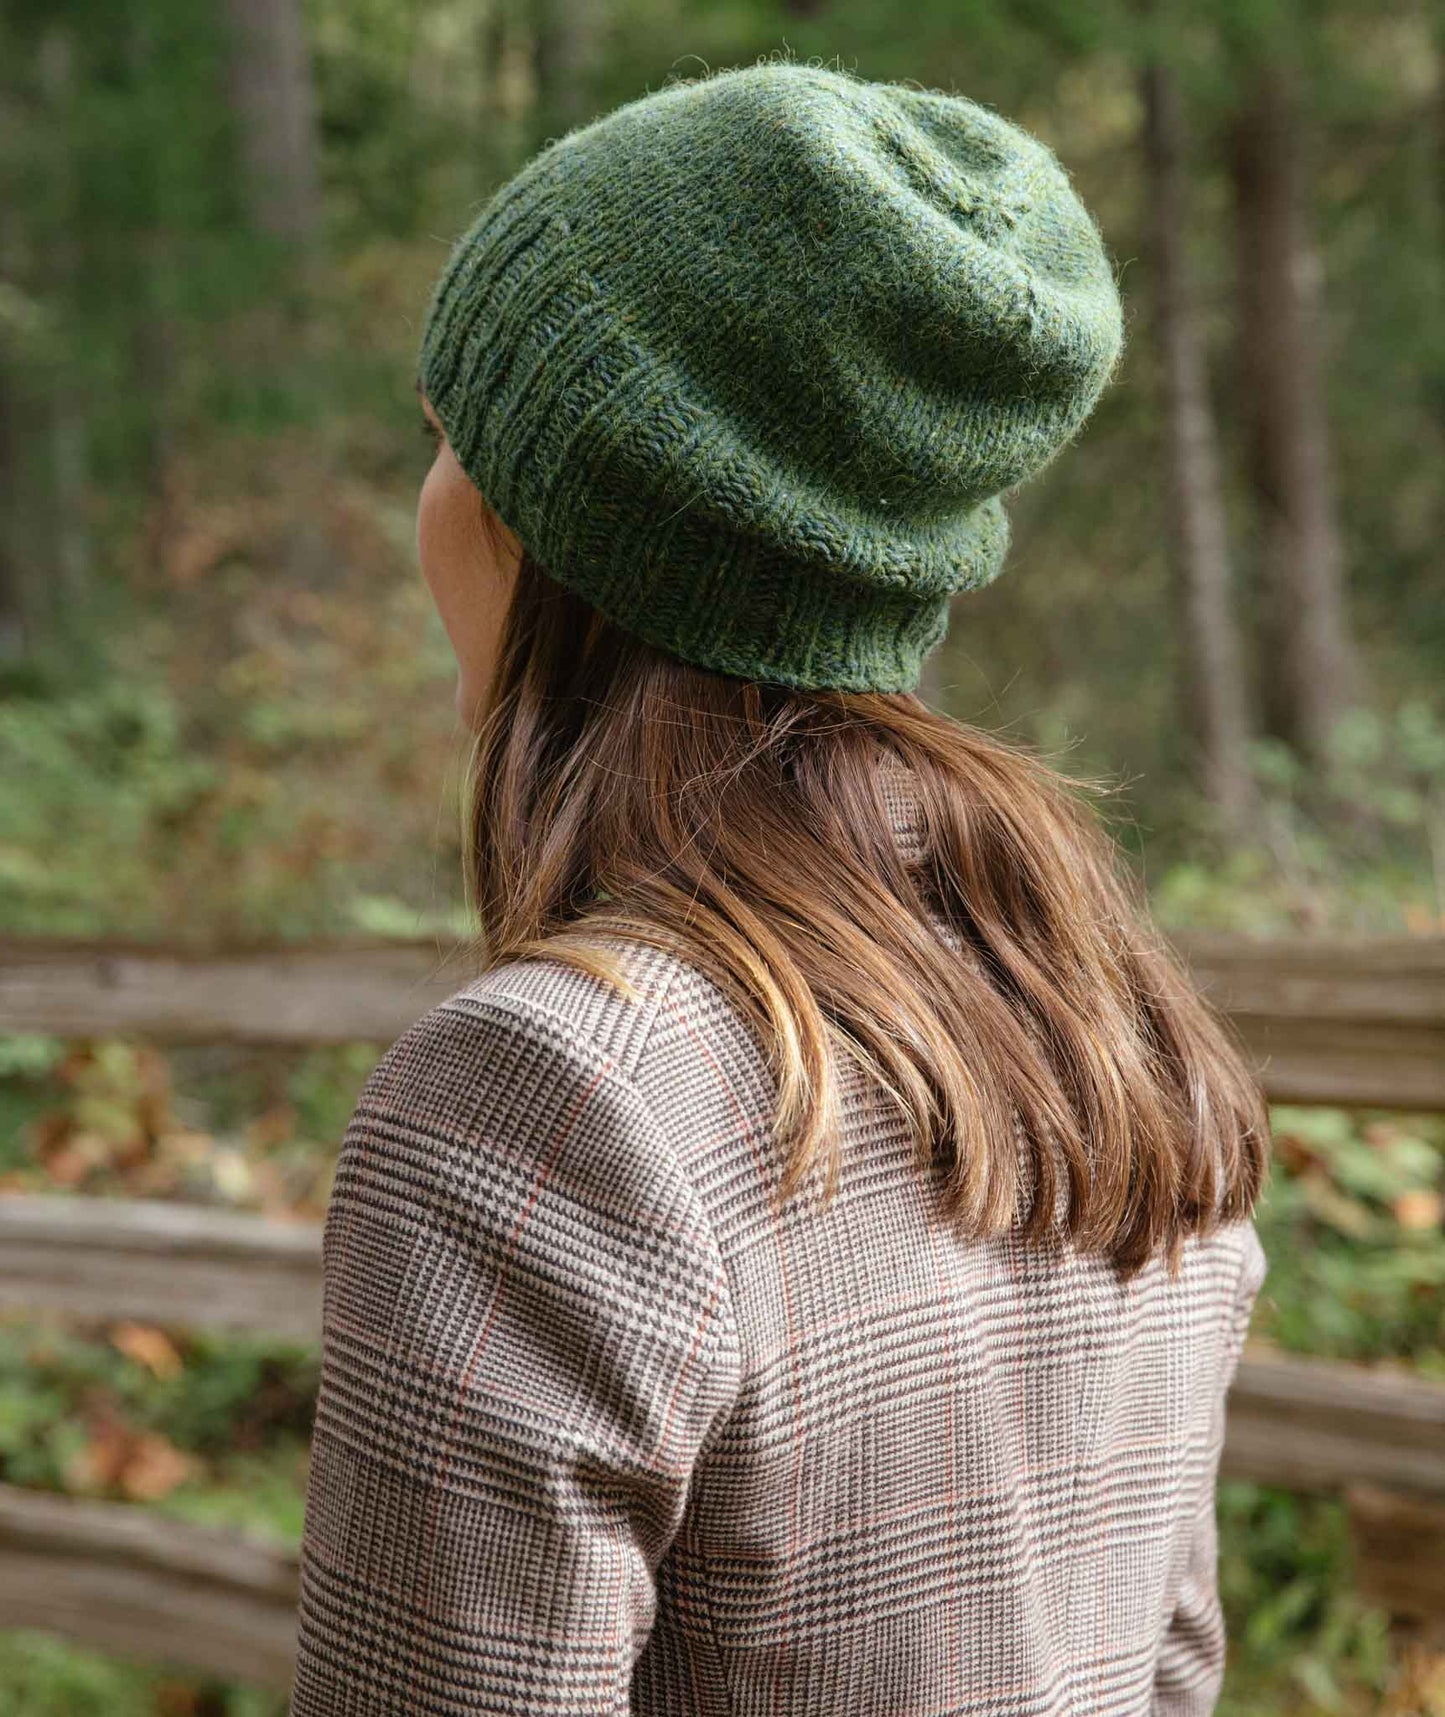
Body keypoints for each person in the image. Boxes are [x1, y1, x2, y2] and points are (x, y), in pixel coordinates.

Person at [289, 57, 1269, 1717]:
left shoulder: (547, 1094)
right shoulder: (1108, 1029)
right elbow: (1163, 1669)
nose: (427, 501)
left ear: (555, 523)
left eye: (450, 438)